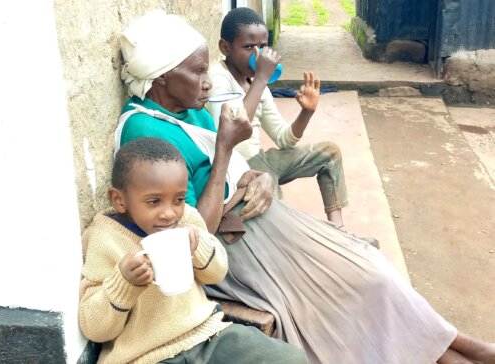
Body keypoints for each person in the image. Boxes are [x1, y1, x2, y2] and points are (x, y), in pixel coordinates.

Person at [114, 9, 495, 364]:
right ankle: (454, 349)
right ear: (162, 76)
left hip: (257, 217)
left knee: (370, 265)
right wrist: (227, 149)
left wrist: (260, 175)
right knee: (358, 282)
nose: (207, 81)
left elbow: (236, 165)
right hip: (234, 248)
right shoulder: (144, 131)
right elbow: (196, 233)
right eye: (197, 72)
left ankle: (452, 346)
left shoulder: (188, 108)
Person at [78, 137, 308, 363]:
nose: (169, 213)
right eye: (154, 202)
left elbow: (216, 273)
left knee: (290, 358)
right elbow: (94, 329)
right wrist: (125, 282)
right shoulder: (104, 238)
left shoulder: (185, 218)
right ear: (119, 200)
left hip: (206, 335)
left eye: (177, 199)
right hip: (146, 356)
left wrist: (198, 247)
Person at [206, 7, 348, 229]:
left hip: (260, 158)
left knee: (329, 153)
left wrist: (306, 112)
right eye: (248, 47)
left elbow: (284, 138)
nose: (258, 55)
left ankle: (340, 230)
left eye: (263, 47)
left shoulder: (256, 82)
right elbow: (234, 129)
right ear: (225, 48)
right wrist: (262, 77)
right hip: (235, 167)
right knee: (278, 213)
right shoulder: (218, 78)